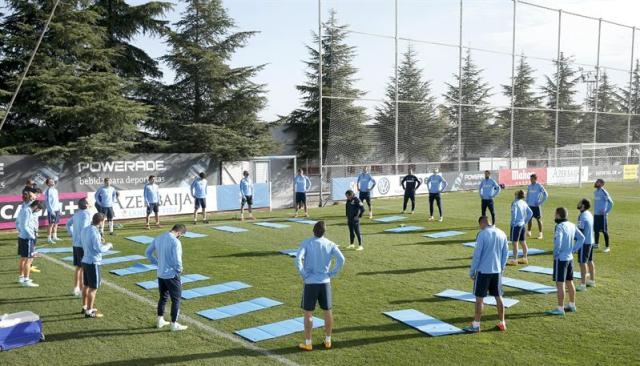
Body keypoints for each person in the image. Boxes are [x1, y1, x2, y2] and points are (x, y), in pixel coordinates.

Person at [295, 221, 345, 351]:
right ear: (324, 232)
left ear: (313, 230)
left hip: (310, 283)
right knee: (328, 312)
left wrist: (303, 273)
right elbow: (342, 260)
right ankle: (328, 341)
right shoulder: (330, 244)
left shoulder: (306, 242)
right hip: (325, 282)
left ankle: (308, 343)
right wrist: (332, 273)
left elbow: (298, 259)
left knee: (308, 313)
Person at [463, 216, 508, 333]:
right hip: (497, 271)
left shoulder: (482, 234)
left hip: (483, 271)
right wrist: (501, 268)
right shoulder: (502, 233)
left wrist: (472, 271)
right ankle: (502, 322)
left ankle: (476, 324)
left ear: (482, 223)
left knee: (479, 299)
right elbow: (505, 254)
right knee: (499, 297)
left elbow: (477, 255)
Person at [145, 224, 189, 332]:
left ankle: (160, 320)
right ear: (179, 233)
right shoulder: (176, 241)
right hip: (172, 275)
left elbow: (147, 253)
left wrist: (158, 263)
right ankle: (174, 324)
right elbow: (177, 260)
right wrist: (179, 270)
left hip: (161, 274)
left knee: (163, 297)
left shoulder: (159, 237)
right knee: (176, 299)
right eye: (181, 235)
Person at [545, 207, 585, 316]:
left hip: (561, 259)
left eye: (555, 214)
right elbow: (582, 238)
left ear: (558, 215)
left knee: (560, 284)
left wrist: (555, 253)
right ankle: (572, 305)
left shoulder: (559, 226)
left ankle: (560, 308)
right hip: (569, 258)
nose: (554, 216)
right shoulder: (572, 225)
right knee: (569, 282)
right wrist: (574, 249)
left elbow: (558, 241)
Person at [81, 213, 113, 318]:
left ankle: (85, 306)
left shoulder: (86, 229)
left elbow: (87, 243)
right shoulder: (95, 232)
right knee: (93, 288)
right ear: (100, 221)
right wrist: (108, 245)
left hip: (85, 260)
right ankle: (89, 311)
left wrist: (100, 242)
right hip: (93, 262)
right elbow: (99, 249)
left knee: (86, 285)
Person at [66, 198, 92, 297]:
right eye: (88, 201)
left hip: (76, 243)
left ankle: (76, 288)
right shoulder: (86, 214)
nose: (90, 202)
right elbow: (85, 229)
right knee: (84, 268)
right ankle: (81, 290)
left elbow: (68, 224)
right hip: (82, 245)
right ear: (86, 204)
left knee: (78, 267)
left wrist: (73, 235)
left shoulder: (77, 214)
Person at [16, 200, 43, 288]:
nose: (37, 211)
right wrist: (32, 236)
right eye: (38, 209)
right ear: (35, 207)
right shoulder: (27, 211)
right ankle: (26, 279)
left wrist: (20, 232)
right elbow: (24, 226)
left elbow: (18, 223)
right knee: (28, 259)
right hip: (27, 238)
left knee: (23, 258)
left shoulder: (25, 210)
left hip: (23, 236)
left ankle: (21, 278)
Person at [508, 190, 533, 266]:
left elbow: (514, 214)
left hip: (516, 225)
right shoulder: (524, 203)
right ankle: (525, 258)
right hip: (522, 225)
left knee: (515, 243)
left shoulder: (515, 203)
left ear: (516, 195)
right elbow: (530, 213)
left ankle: (515, 260)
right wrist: (525, 221)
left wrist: (513, 222)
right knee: (523, 242)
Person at [576, 198, 596, 291]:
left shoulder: (582, 216)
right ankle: (592, 280)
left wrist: (576, 241)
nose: (578, 203)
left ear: (583, 205)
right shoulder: (589, 214)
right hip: (590, 241)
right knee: (590, 261)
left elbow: (580, 230)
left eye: (580, 202)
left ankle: (583, 284)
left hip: (584, 243)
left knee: (582, 262)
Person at [593, 179, 613, 253]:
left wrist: (605, 211)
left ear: (601, 184)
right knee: (596, 230)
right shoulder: (595, 192)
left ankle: (607, 247)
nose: (595, 183)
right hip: (596, 215)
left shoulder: (603, 192)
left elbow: (611, 203)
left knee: (604, 231)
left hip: (602, 216)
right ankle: (596, 244)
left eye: (597, 182)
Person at [526, 174, 548, 240]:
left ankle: (540, 234)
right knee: (529, 219)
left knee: (538, 220)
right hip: (529, 205)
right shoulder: (529, 186)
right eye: (530, 179)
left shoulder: (539, 186)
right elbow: (528, 194)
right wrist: (526, 202)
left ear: (535, 179)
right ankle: (529, 232)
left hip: (536, 206)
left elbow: (546, 195)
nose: (530, 180)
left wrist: (540, 202)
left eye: (532, 179)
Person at [44, 178, 62, 244]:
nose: (52, 182)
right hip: (51, 210)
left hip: (57, 209)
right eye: (51, 181)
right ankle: (49, 238)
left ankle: (55, 236)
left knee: (56, 224)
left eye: (53, 181)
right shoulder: (48, 191)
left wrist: (60, 209)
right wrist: (51, 210)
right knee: (51, 224)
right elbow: (47, 201)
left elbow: (57, 201)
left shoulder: (55, 190)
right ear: (48, 184)